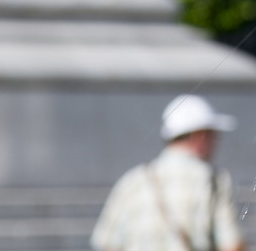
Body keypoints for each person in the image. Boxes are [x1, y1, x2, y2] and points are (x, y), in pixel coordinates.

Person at [90, 94, 246, 251]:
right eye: (213, 136)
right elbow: (231, 246)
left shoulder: (132, 181)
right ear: (200, 136)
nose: (216, 143)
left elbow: (105, 244)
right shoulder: (212, 180)